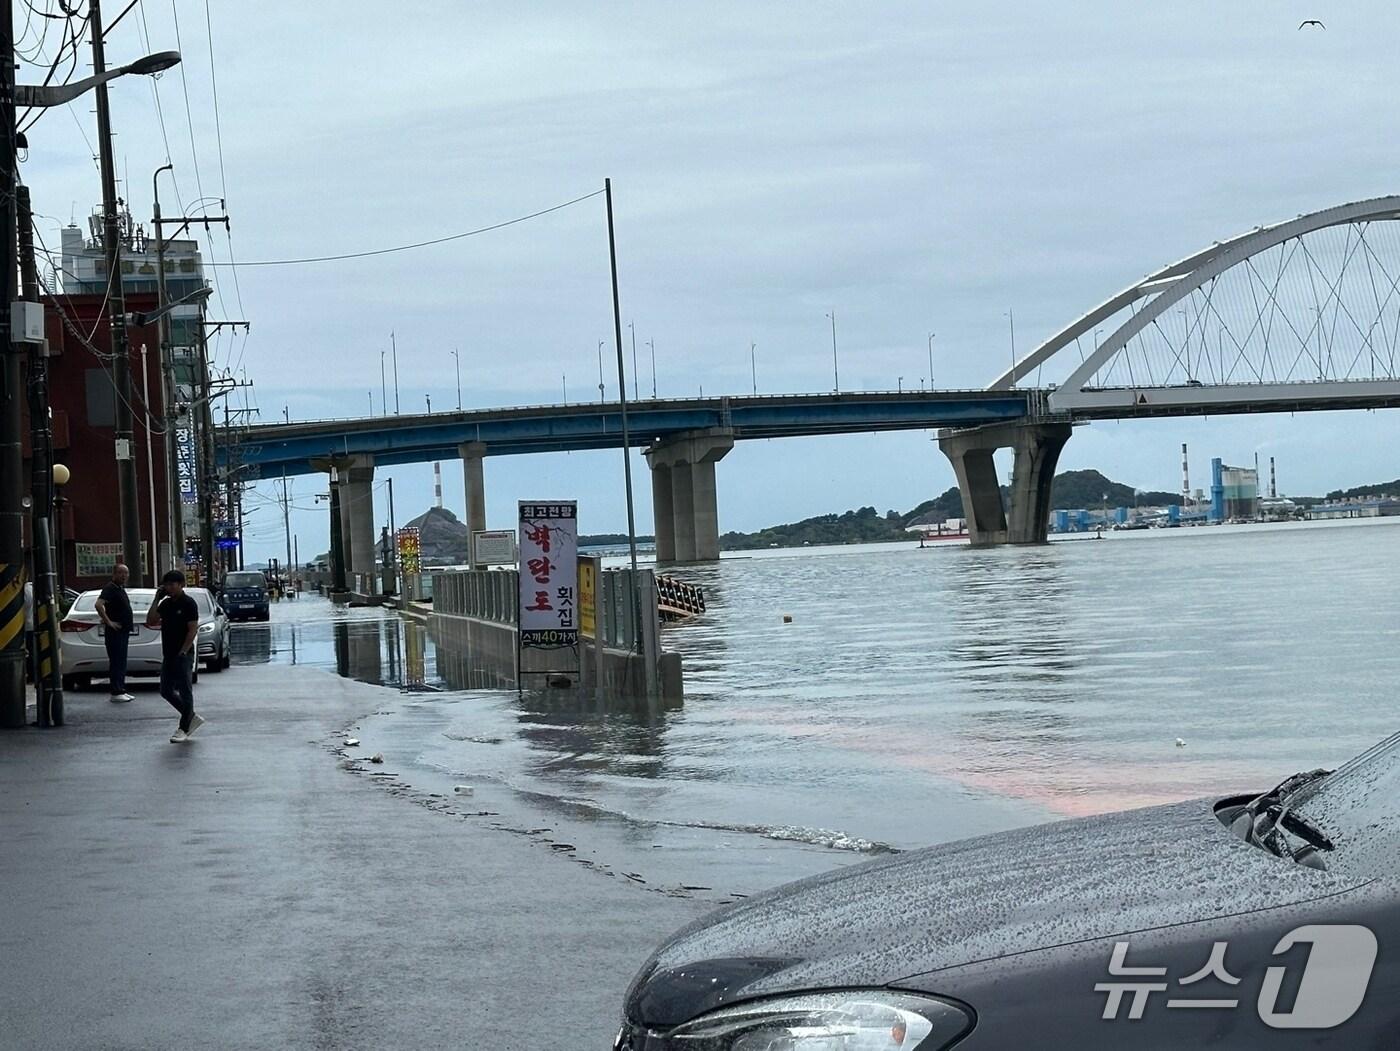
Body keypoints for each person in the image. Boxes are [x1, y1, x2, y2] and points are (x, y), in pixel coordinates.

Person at [145, 570, 205, 743]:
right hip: (169, 653)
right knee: (165, 690)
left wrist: (184, 650)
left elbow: (192, 629)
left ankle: (184, 727)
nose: (169, 588)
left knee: (185, 690)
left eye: (172, 584)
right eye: (167, 585)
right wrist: (157, 598)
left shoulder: (189, 603)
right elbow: (151, 620)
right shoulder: (166, 604)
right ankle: (191, 716)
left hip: (183, 653)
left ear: (181, 585)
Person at [96, 563, 135, 703]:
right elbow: (98, 604)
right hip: (115, 631)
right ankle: (116, 691)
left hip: (123, 630)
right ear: (114, 574)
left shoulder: (119, 588)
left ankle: (121, 689)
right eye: (121, 573)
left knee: (122, 661)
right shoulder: (110, 588)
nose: (124, 576)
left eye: (126, 573)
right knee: (117, 661)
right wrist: (108, 621)